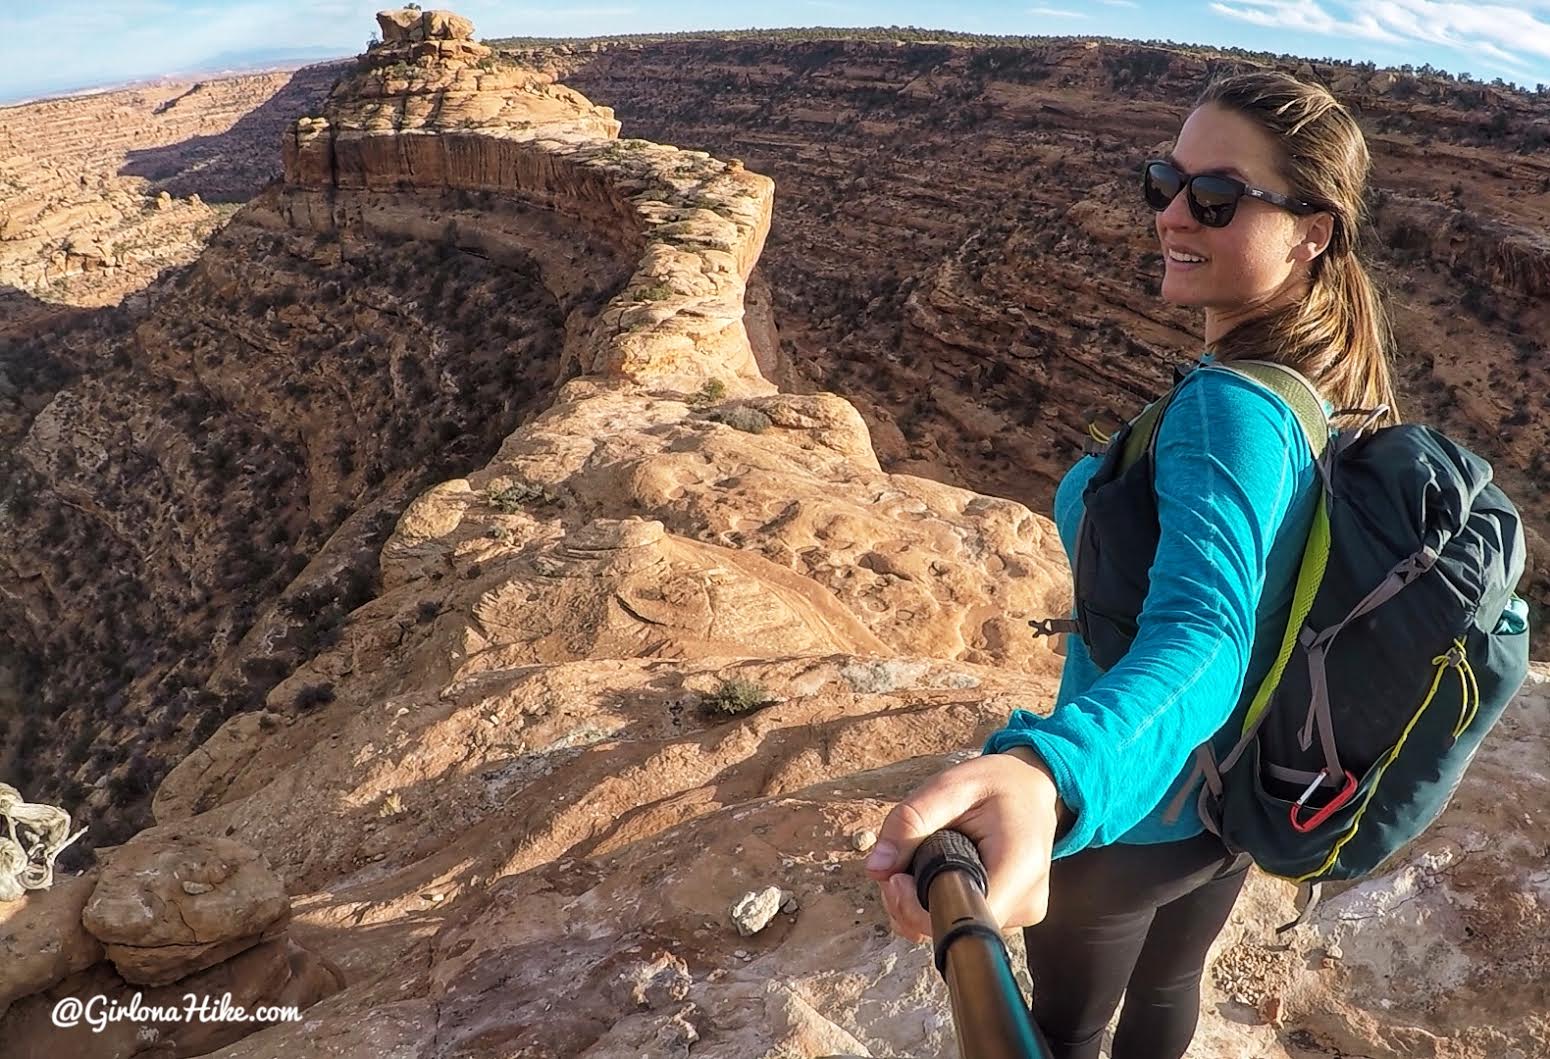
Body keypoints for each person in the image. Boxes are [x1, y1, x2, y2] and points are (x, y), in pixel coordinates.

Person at [865, 71, 1403, 1059]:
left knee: (1063, 1027)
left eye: (1214, 197)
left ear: (1311, 231)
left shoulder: (1228, 408)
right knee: (1166, 990)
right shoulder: (1330, 392)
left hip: (1133, 815)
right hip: (1235, 798)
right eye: (1162, 179)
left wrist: (1049, 773)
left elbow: (1204, 633)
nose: (1169, 213)